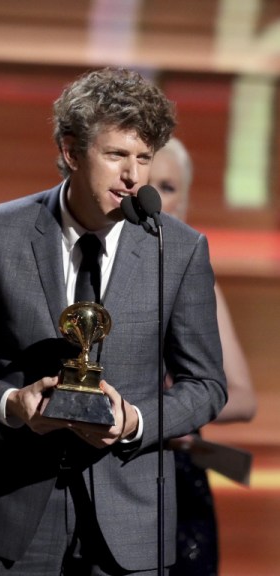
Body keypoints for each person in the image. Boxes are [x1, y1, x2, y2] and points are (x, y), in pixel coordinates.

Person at [0, 67, 228, 575]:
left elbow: (207, 385)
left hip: (132, 521)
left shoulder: (177, 250)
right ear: (71, 152)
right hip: (17, 517)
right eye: (116, 156)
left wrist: (135, 421)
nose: (133, 176)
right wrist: (11, 404)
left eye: (144, 158)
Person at [150, 137, 257, 576]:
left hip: (177, 483)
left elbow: (244, 397)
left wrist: (173, 413)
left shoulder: (199, 285)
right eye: (143, 182)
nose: (153, 197)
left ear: (187, 202)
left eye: (168, 186)